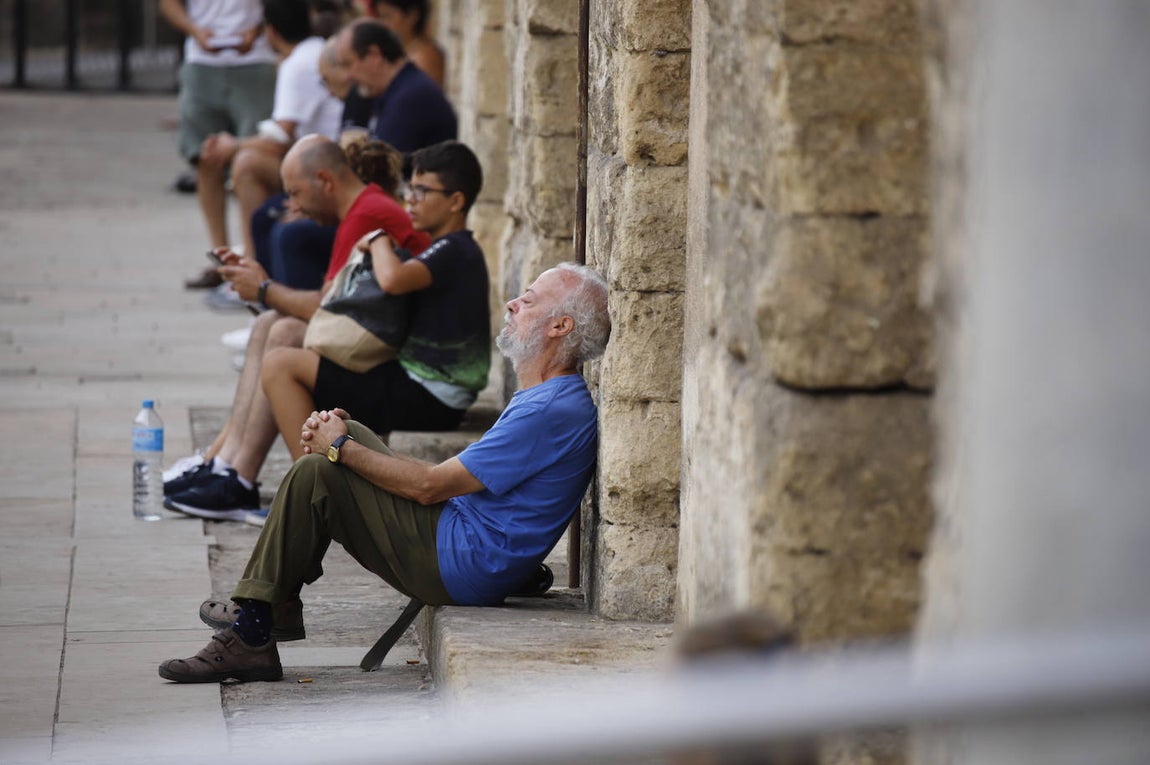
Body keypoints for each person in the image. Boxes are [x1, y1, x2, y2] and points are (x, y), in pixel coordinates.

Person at [158, 262, 611, 683]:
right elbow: (450, 477)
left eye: (528, 300)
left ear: (560, 326)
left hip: (465, 563)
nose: (513, 303)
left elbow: (430, 487)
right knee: (347, 434)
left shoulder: (549, 408)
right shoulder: (545, 397)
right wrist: (346, 439)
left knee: (318, 473)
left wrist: (338, 447)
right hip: (466, 539)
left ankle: (254, 628)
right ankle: (269, 607)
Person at [163, 134, 429, 519]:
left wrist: (264, 288)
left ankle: (242, 475)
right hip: (385, 338)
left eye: (296, 192)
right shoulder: (362, 209)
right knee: (274, 323)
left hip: (401, 361)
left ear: (325, 180)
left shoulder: (366, 214)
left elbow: (325, 306)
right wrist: (262, 287)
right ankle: (227, 465)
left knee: (283, 332)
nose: (293, 205)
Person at [187, 0, 343, 288]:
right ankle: (239, 265)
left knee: (247, 164)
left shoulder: (298, 63)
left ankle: (252, 274)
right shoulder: (309, 54)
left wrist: (234, 146)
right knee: (242, 157)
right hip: (323, 159)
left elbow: (280, 137)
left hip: (329, 169)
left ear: (269, 32)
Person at [159, 0, 278, 288]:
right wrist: (193, 29)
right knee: (205, 157)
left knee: (251, 159)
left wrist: (259, 28)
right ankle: (221, 257)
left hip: (254, 59)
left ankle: (254, 257)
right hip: (202, 61)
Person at [337, 18, 456, 154]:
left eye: (348, 64)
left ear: (374, 56)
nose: (346, 77)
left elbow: (383, 170)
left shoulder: (410, 98)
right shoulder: (400, 91)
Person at [372, 0, 445, 86]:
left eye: (388, 16)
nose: (382, 24)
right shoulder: (402, 50)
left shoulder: (425, 56)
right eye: (380, 17)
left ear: (412, 15)